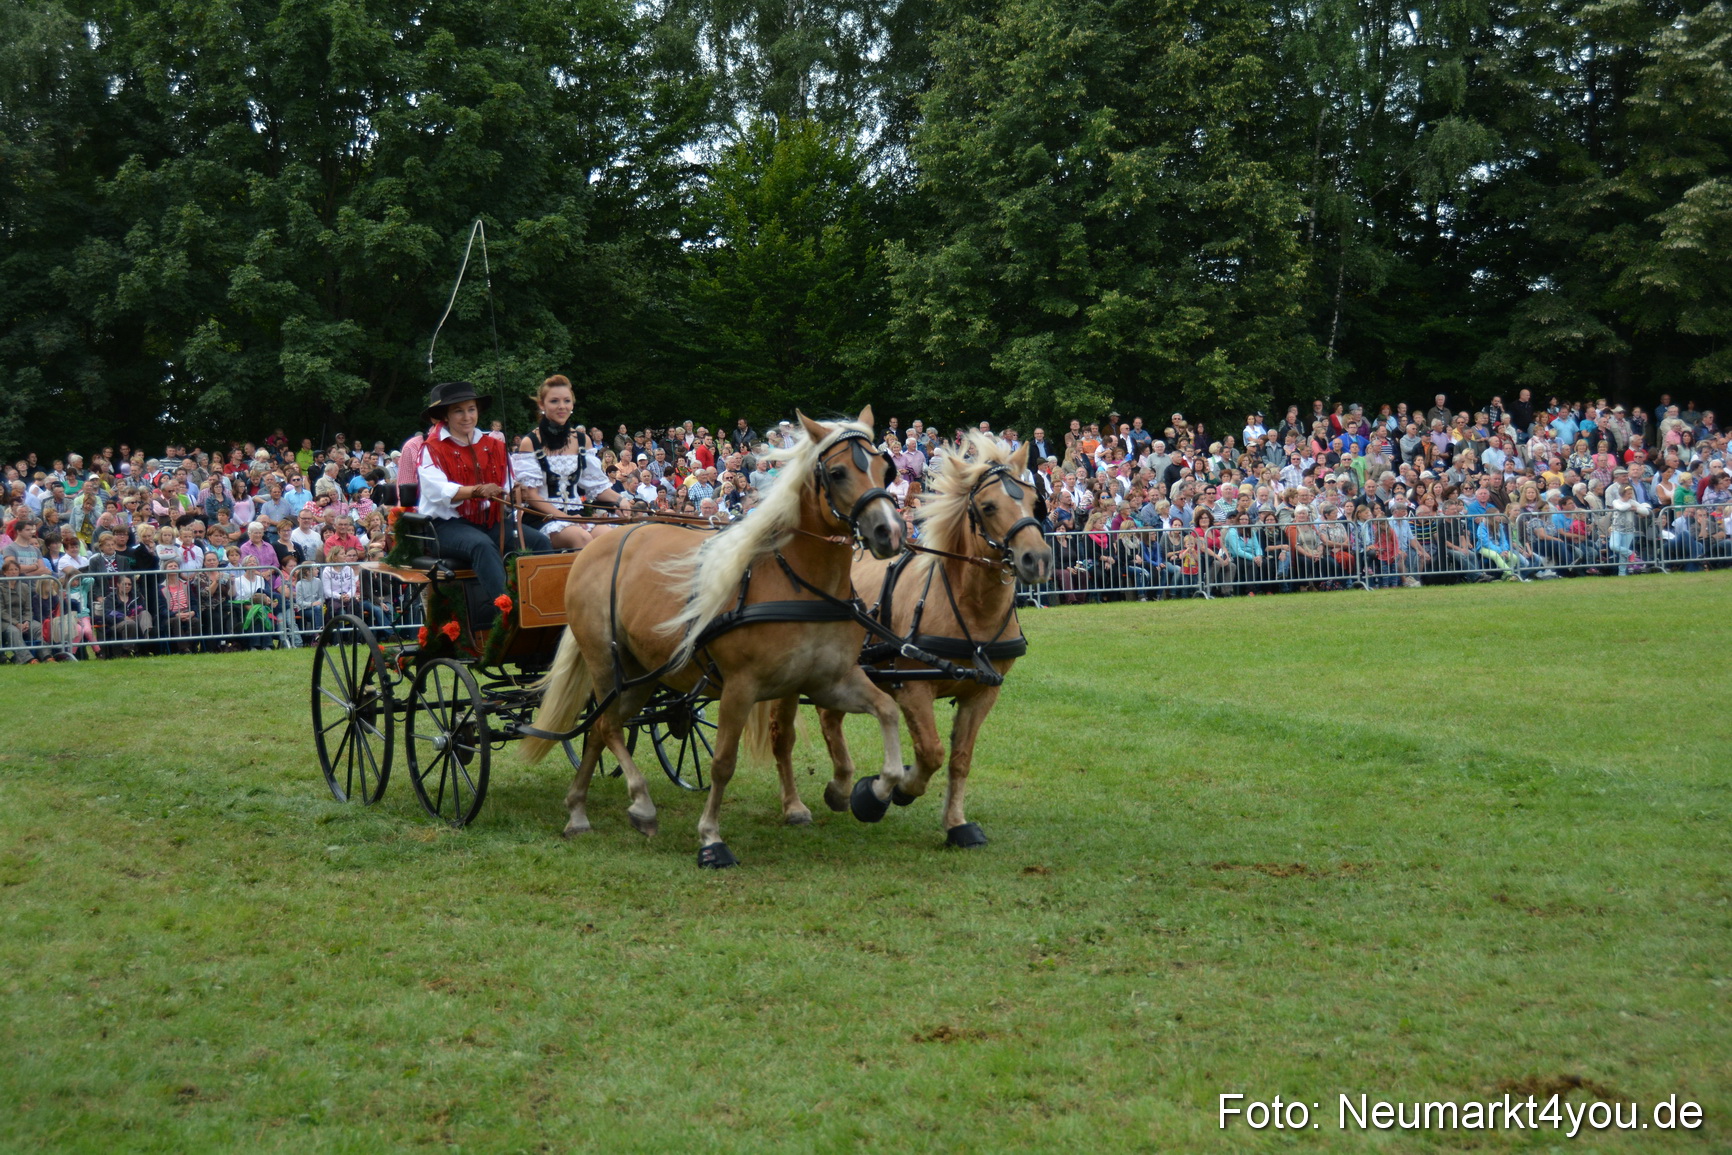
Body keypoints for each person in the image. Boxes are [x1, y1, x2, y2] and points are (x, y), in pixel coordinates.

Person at [416, 381, 552, 631]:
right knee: (482, 546)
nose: (467, 416)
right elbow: (438, 491)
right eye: (459, 411)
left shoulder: (495, 445)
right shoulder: (431, 449)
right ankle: (509, 614)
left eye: (471, 409)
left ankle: (545, 609)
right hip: (446, 526)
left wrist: (514, 493)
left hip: (489, 520)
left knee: (540, 542)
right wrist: (476, 491)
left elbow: (507, 484)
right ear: (446, 416)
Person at [513, 375, 618, 551]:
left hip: (576, 514)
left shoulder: (583, 440)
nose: (562, 406)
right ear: (542, 405)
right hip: (543, 517)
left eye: (567, 401)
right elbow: (531, 496)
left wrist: (622, 500)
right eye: (554, 401)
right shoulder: (530, 442)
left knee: (611, 538)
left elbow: (597, 486)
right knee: (581, 538)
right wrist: (567, 518)